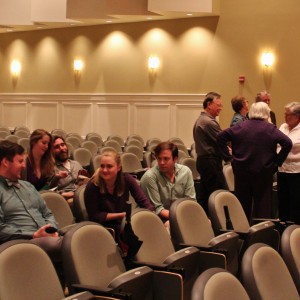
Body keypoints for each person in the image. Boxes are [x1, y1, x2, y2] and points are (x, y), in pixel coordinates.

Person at [217, 102, 292, 222]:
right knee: (262, 207)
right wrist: (277, 162)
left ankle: (243, 233)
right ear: (266, 114)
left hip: (241, 171)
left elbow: (220, 137)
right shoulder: (270, 128)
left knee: (242, 205)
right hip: (263, 172)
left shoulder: (241, 126)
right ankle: (261, 234)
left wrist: (228, 158)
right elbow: (287, 143)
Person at [0, 140, 62, 262]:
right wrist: (34, 235)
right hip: (20, 243)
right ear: (5, 162)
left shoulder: (28, 186)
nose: (24, 166)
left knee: (83, 238)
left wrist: (52, 230)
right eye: (20, 161)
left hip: (48, 238)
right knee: (72, 244)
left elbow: (47, 213)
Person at [84, 149, 154, 238]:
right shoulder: (92, 186)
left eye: (109, 166)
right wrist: (122, 215)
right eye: (102, 166)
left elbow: (144, 202)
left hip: (123, 224)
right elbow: (95, 216)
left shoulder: (127, 179)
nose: (104, 170)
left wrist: (151, 216)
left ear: (119, 167)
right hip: (103, 230)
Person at [140, 141, 196, 226]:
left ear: (175, 159)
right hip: (155, 217)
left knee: (206, 222)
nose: (162, 162)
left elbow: (190, 201)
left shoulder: (185, 172)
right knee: (171, 225)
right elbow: (157, 209)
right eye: (159, 158)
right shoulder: (149, 177)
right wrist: (181, 217)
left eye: (166, 159)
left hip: (180, 214)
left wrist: (187, 216)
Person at [193, 92, 228, 212]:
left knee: (205, 195)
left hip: (205, 161)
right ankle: (216, 224)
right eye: (218, 105)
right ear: (209, 104)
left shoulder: (202, 120)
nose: (221, 108)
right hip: (210, 162)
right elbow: (224, 140)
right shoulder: (208, 122)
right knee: (216, 195)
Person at [277, 102, 300, 223]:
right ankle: (283, 225)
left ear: (297, 116)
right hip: (282, 168)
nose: (285, 116)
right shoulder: (283, 127)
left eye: (288, 114)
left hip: (296, 170)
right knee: (283, 200)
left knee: (295, 201)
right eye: (285, 113)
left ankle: (295, 228)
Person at [52, 135, 86, 201]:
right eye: (57, 147)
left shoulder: (76, 164)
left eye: (63, 145)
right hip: (65, 200)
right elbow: (49, 191)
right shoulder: (52, 168)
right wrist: (65, 194)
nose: (61, 148)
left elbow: (85, 181)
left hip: (81, 195)